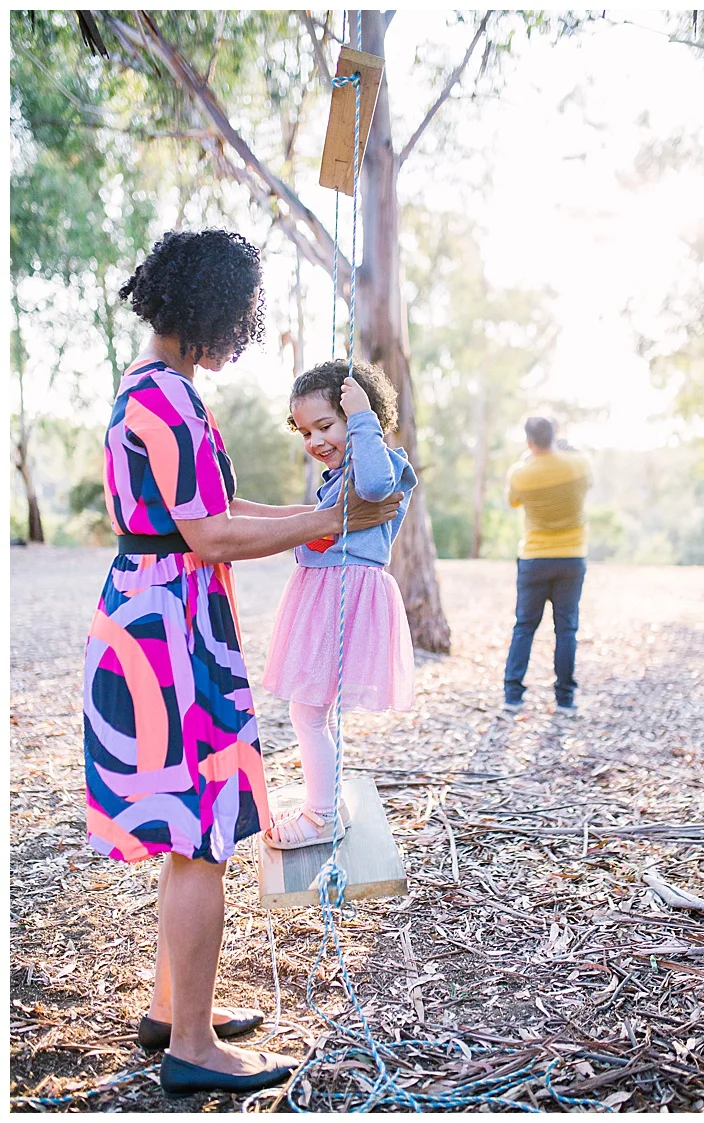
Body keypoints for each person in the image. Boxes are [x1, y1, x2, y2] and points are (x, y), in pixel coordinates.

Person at [84, 230, 401, 1093]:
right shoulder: (166, 397)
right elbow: (211, 533)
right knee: (202, 837)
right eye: (237, 319)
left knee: (191, 834)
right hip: (167, 627)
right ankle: (193, 1046)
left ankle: (171, 1008)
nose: (238, 336)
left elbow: (219, 505)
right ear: (210, 309)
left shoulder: (153, 387)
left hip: (163, 610)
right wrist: (330, 521)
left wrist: (321, 515)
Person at [260, 361, 417, 848]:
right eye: (306, 432)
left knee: (308, 713)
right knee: (314, 712)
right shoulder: (341, 473)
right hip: (328, 592)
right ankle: (328, 803)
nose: (315, 441)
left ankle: (322, 817)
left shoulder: (379, 463)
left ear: (361, 417)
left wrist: (364, 417)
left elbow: (373, 488)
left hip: (343, 593)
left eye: (326, 425)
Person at [502, 417, 592, 715]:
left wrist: (527, 459)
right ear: (555, 436)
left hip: (534, 558)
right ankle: (565, 700)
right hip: (571, 557)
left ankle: (513, 696)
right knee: (566, 629)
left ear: (529, 441)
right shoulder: (579, 465)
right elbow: (588, 482)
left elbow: (513, 502)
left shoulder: (520, 473)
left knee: (524, 627)